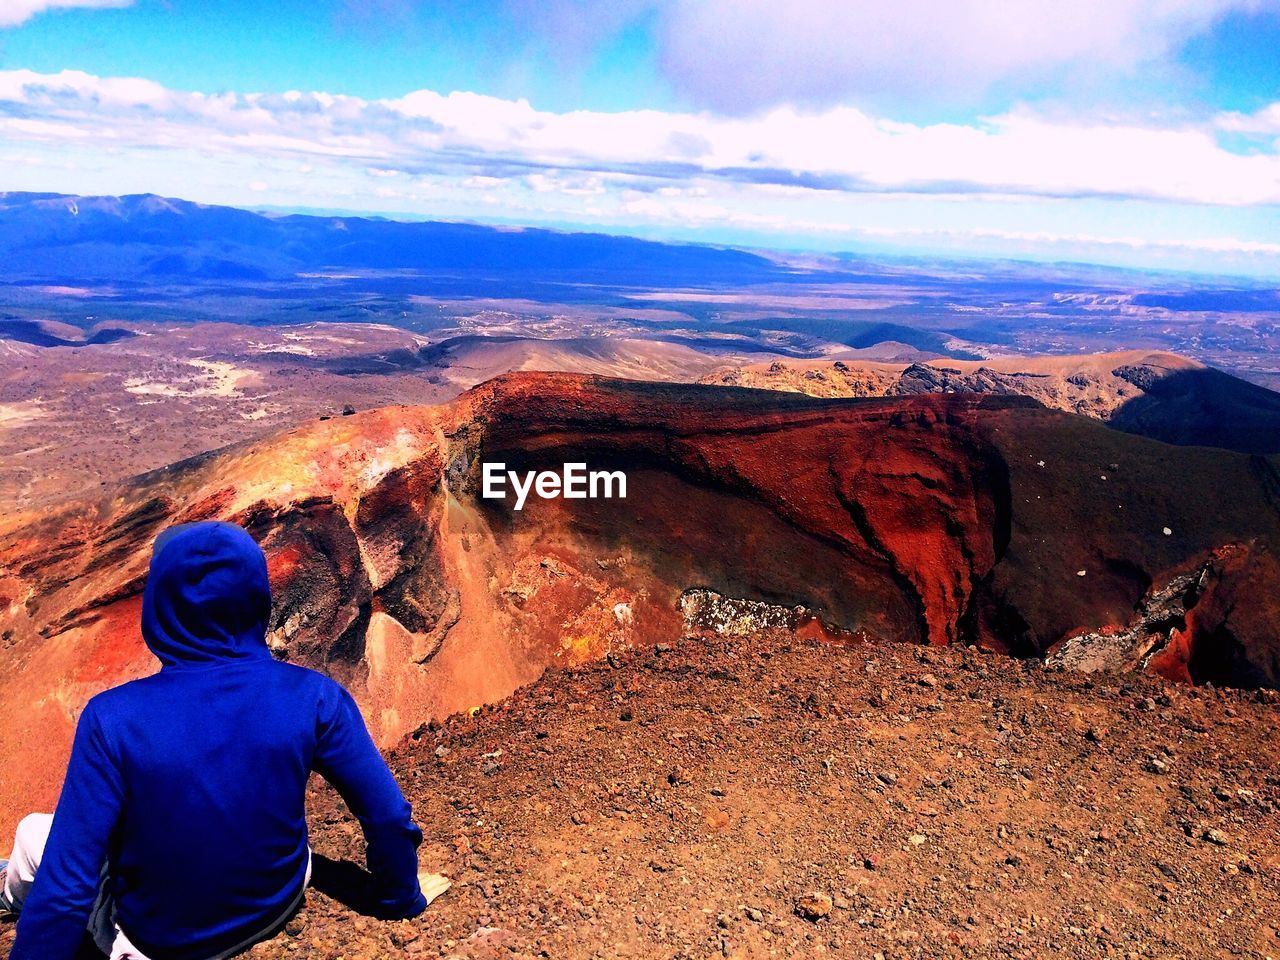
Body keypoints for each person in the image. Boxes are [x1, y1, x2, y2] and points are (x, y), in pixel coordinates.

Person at [0, 521, 428, 959]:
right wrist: (401, 900)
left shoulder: (112, 718)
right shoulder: (315, 696)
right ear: (256, 598)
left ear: (161, 608)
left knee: (34, 834)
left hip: (157, 941)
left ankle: (9, 896)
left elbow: (65, 891)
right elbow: (389, 817)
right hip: (276, 902)